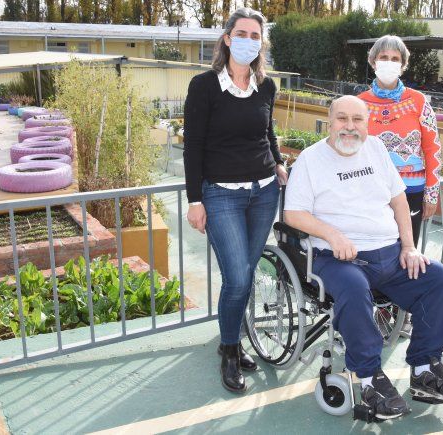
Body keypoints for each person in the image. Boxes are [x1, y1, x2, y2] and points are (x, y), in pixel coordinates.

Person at [284, 96, 443, 420]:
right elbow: (293, 214)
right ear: (330, 121)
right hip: (337, 259)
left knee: (436, 278)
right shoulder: (311, 161)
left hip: (389, 253)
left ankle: (425, 369)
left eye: (358, 120)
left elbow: (399, 201)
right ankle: (370, 380)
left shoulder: (376, 149)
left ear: (367, 123)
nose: (350, 127)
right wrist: (333, 234)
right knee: (354, 290)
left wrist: (409, 247)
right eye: (342, 119)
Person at [183, 7, 288, 394]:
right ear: (227, 38)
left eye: (255, 35)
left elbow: (268, 132)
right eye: (241, 33)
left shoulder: (267, 86)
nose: (248, 41)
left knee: (244, 272)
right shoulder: (204, 86)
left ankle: (235, 337)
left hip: (264, 193)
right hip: (221, 195)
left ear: (262, 43)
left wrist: (277, 163)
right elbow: (192, 146)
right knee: (239, 278)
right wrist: (196, 200)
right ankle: (229, 349)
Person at [357, 35, 443, 337]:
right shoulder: (360, 103)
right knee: (373, 250)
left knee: (407, 252)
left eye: (395, 59)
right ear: (372, 62)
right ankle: (370, 310)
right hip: (371, 193)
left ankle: (400, 314)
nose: (389, 63)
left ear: (403, 65)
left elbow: (433, 150)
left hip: (413, 191)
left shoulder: (420, 102)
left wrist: (432, 191)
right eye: (384, 58)